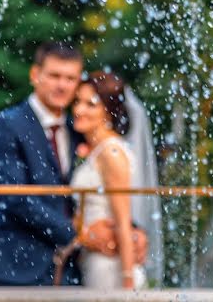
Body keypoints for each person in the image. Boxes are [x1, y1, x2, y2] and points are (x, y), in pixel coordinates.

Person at [0, 42, 146, 286]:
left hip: (72, 269)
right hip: (19, 264)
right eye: (54, 76)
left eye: (70, 78)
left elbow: (105, 192)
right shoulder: (6, 125)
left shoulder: (79, 130)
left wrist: (130, 231)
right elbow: (13, 197)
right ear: (35, 75)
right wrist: (80, 235)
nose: (62, 85)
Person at [70, 71, 147, 289]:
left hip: (109, 265)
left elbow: (123, 221)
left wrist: (127, 279)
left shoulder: (111, 153)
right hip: (92, 257)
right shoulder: (94, 151)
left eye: (91, 104)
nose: (78, 110)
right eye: (77, 101)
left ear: (109, 111)